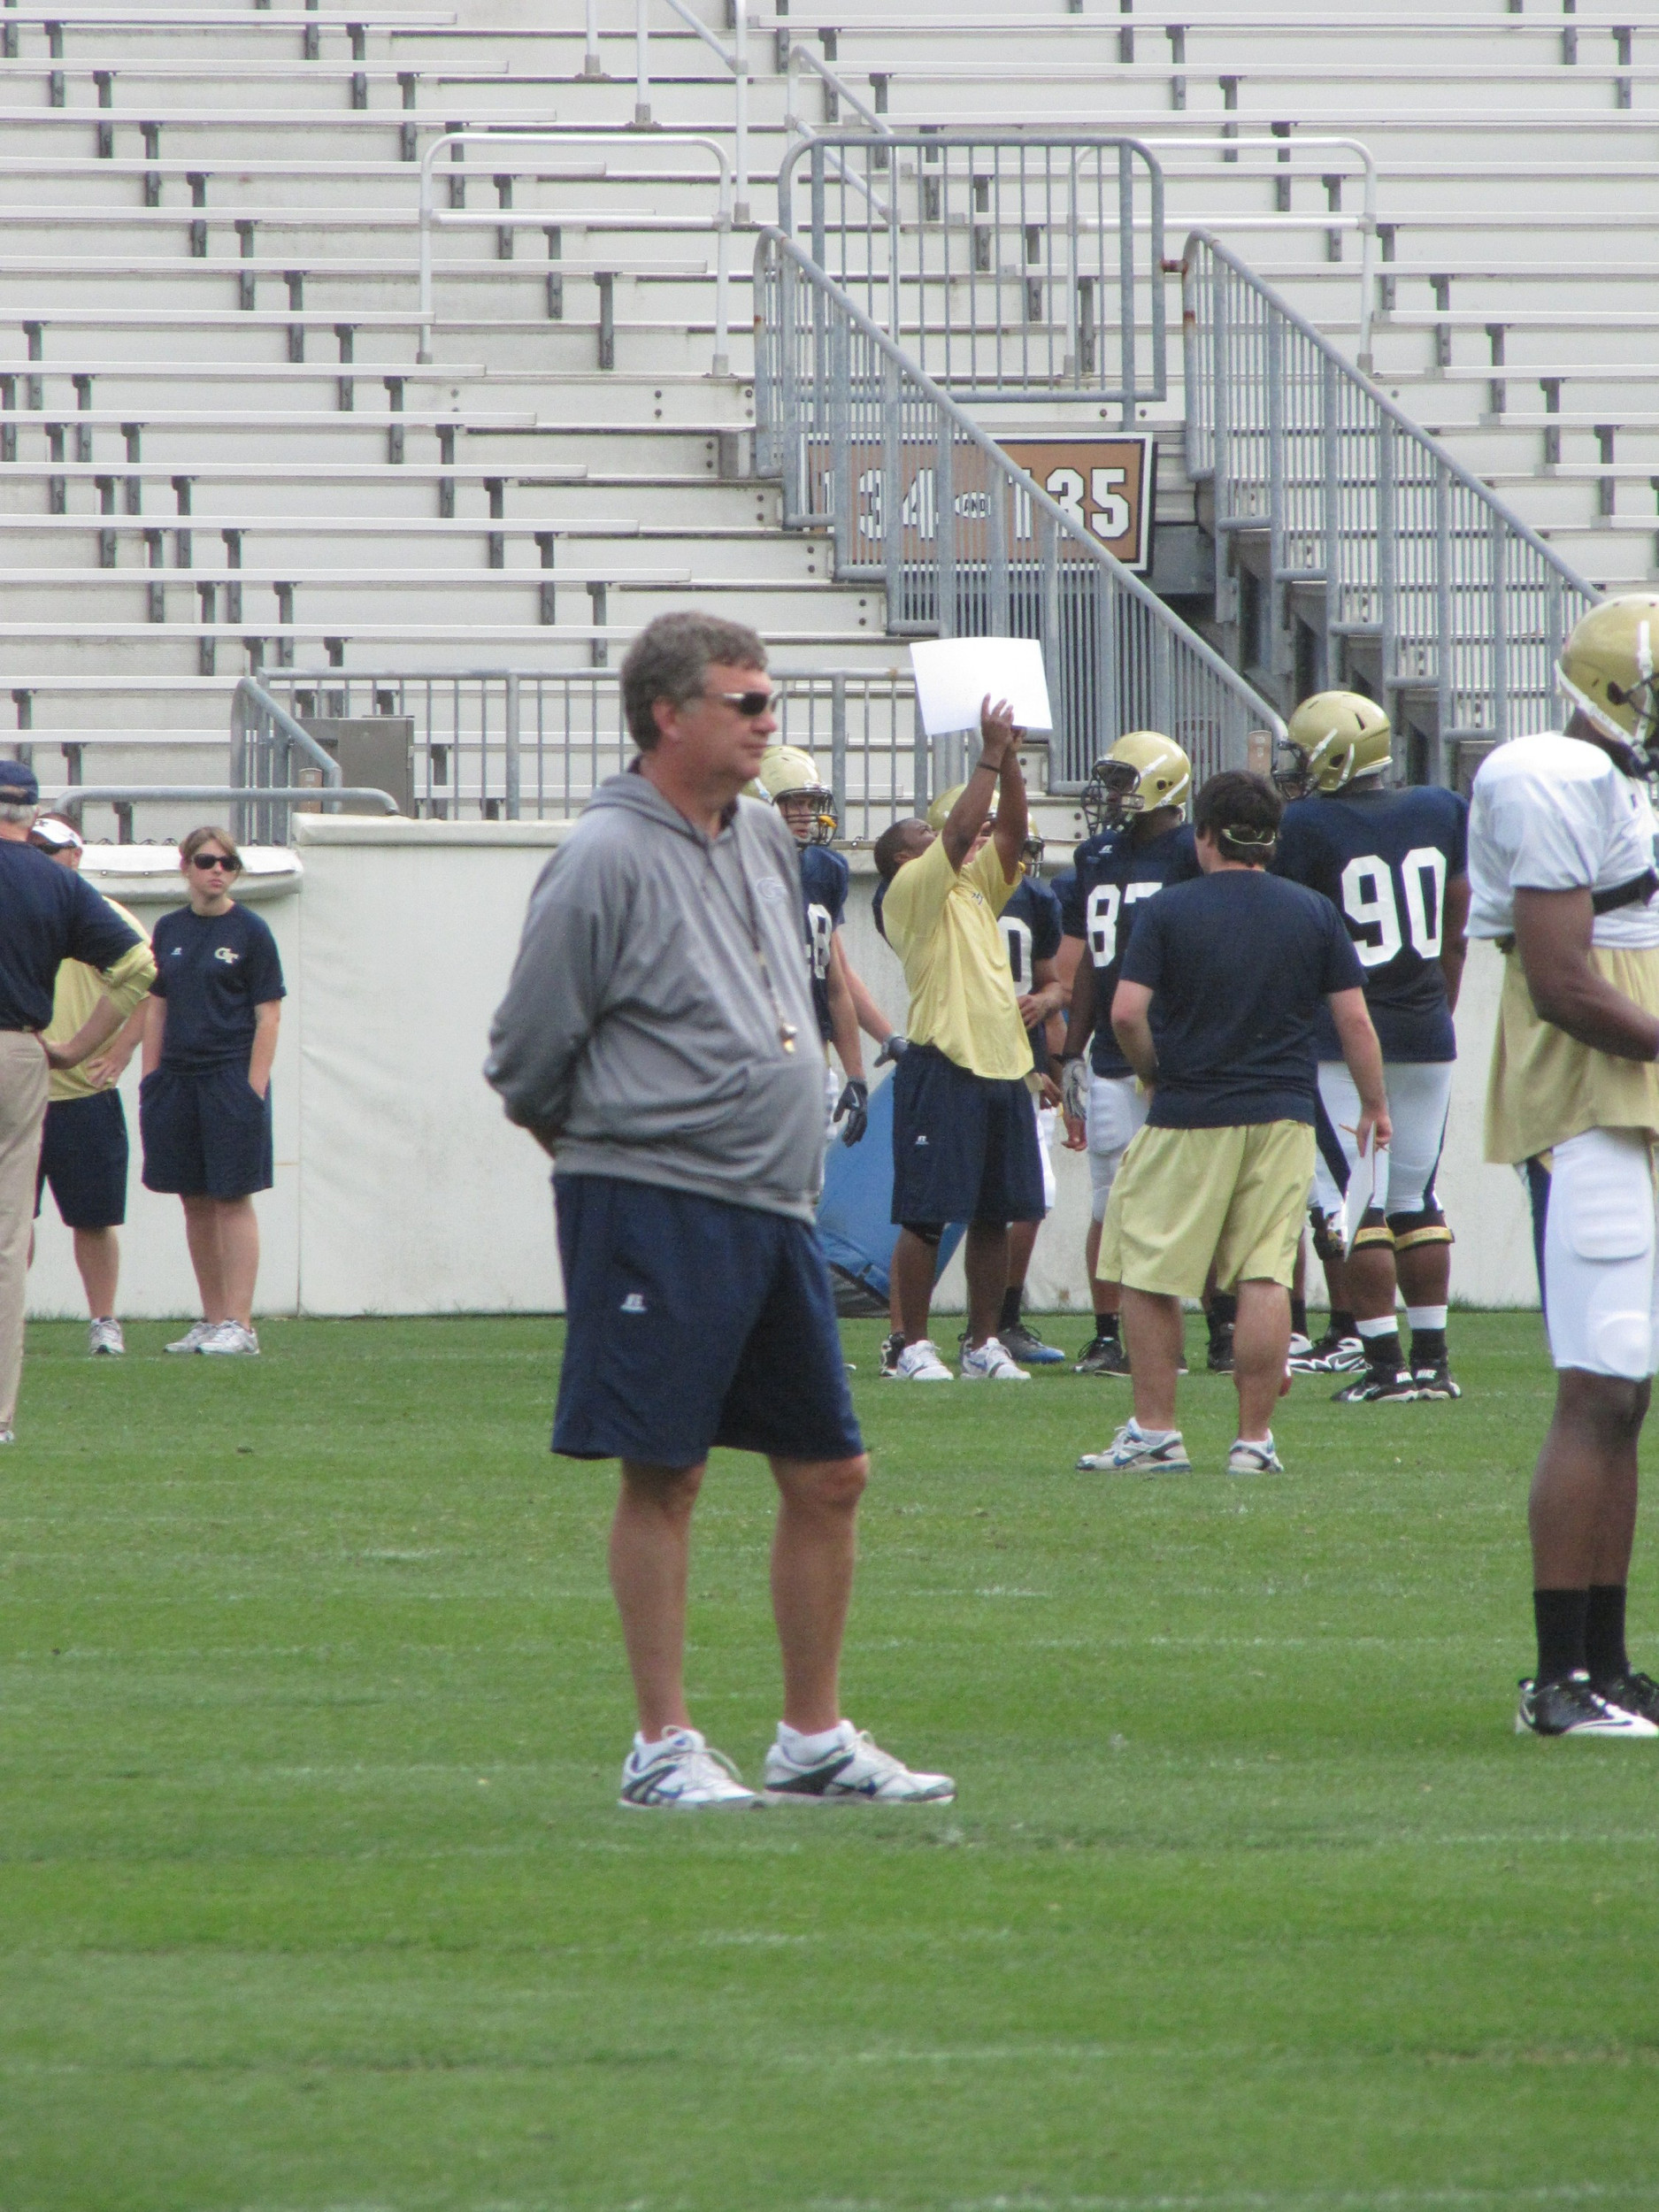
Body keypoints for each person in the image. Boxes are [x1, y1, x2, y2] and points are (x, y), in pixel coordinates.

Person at [486, 610, 952, 1809]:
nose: (765, 721)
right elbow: (528, 1051)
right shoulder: (598, 857)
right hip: (651, 1201)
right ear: (666, 715)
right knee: (666, 1473)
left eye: (767, 700)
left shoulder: (755, 835)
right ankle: (660, 1746)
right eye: (743, 701)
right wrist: (616, 1151)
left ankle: (811, 1739)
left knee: (830, 1472)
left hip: (770, 1206)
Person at [1468, 593, 1659, 1738]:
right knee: (1597, 1380)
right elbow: (1560, 981)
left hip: (1628, 1095)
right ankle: (1556, 1680)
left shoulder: (1619, 785)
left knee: (1625, 1393)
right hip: (1587, 1098)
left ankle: (1605, 1662)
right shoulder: (1550, 773)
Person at [1080, 770, 1389, 1479]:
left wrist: (1152, 1071)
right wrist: (1373, 1107)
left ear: (1204, 836)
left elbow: (1125, 1012)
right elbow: (1353, 1023)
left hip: (1189, 1110)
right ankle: (1253, 1442)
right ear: (1271, 841)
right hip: (1283, 1116)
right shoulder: (1313, 912)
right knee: (1263, 1276)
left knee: (1149, 1273)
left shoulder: (1167, 910)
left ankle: (1156, 1432)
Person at [1272, 691, 1471, 1402]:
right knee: (1416, 1198)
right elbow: (1455, 925)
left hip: (1339, 1036)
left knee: (1352, 1205)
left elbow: (1290, 935)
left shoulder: (1304, 825)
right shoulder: (1440, 807)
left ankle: (1384, 1366)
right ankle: (1433, 1364)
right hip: (1424, 1029)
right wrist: (1437, 1006)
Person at [872, 700, 1046, 1383]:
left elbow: (1007, 836)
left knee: (994, 1216)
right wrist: (984, 755)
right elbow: (964, 832)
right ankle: (910, 1345)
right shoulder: (907, 892)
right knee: (925, 1217)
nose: (940, 831)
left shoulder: (972, 890)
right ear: (901, 858)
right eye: (923, 830)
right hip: (941, 1063)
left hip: (1001, 1064)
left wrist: (1010, 764)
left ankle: (981, 1343)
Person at [0, 759, 154, 1443]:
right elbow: (139, 968)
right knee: (8, 1240)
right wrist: (77, 1049)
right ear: (32, 816)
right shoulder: (57, 884)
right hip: (21, 1052)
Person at [1056, 732, 1202, 1377]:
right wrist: (1070, 1050)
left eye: (1122, 781)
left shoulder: (1195, 850)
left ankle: (1221, 1324)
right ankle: (1107, 1333)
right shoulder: (1096, 856)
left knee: (1200, 1192)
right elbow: (1092, 956)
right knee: (1109, 1198)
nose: (1111, 795)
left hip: (1184, 1041)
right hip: (1115, 1051)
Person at [140, 826, 285, 1357]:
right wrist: (151, 1077)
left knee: (231, 1198)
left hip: (229, 1077)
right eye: (206, 861)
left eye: (227, 862)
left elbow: (268, 1012)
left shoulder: (251, 931)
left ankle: (241, 1325)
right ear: (186, 867)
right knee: (194, 1200)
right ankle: (213, 1317)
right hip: (177, 1079)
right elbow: (156, 1005)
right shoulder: (169, 928)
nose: (217, 870)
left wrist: (253, 1087)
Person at [28, 814, 152, 1355]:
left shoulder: (103, 917)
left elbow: (147, 982)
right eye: (35, 849)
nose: (43, 859)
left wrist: (121, 1051)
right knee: (12, 1221)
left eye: (53, 850)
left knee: (94, 1219)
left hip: (82, 1093)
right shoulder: (17, 908)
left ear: (76, 856)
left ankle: (104, 1320)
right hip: (21, 1091)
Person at [755, 744, 883, 1147]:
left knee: (805, 1196)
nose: (807, 815)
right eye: (794, 803)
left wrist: (856, 1075)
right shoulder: (728, 867)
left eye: (811, 803)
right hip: (750, 1061)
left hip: (812, 1057)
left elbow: (834, 984)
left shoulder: (826, 870)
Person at [995, 824, 1068, 1365]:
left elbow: (1054, 984)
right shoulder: (937, 891)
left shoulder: (1037, 898)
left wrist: (1046, 1007)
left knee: (1033, 1194)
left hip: (1025, 1063)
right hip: (962, 1058)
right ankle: (907, 1337)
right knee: (936, 1209)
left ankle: (1003, 1317)